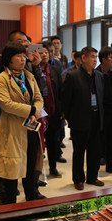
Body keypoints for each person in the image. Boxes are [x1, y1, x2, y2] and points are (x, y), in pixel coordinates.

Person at [0, 42, 46, 204]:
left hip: (31, 127)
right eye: (18, 56)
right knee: (12, 168)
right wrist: (31, 111)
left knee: (31, 165)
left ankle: (31, 198)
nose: (23, 60)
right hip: (12, 129)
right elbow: (6, 104)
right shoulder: (1, 79)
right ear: (9, 59)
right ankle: (10, 204)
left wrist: (36, 110)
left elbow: (38, 98)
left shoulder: (28, 76)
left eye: (24, 56)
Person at [62, 47, 105, 190]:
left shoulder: (99, 76)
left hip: (96, 117)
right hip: (79, 119)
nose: (95, 60)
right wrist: (70, 118)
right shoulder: (73, 76)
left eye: (96, 57)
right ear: (83, 58)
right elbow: (66, 100)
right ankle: (78, 179)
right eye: (92, 56)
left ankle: (92, 177)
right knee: (79, 151)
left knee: (95, 150)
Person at [96, 46, 112, 174]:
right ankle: (97, 164)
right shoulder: (96, 74)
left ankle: (111, 165)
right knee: (98, 139)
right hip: (98, 112)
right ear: (104, 59)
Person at [40, 43, 63, 178]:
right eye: (41, 52)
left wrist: (61, 110)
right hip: (38, 113)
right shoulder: (32, 71)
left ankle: (53, 167)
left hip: (53, 112)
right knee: (37, 143)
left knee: (53, 141)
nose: (44, 55)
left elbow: (60, 90)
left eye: (46, 52)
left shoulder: (54, 70)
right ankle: (36, 170)